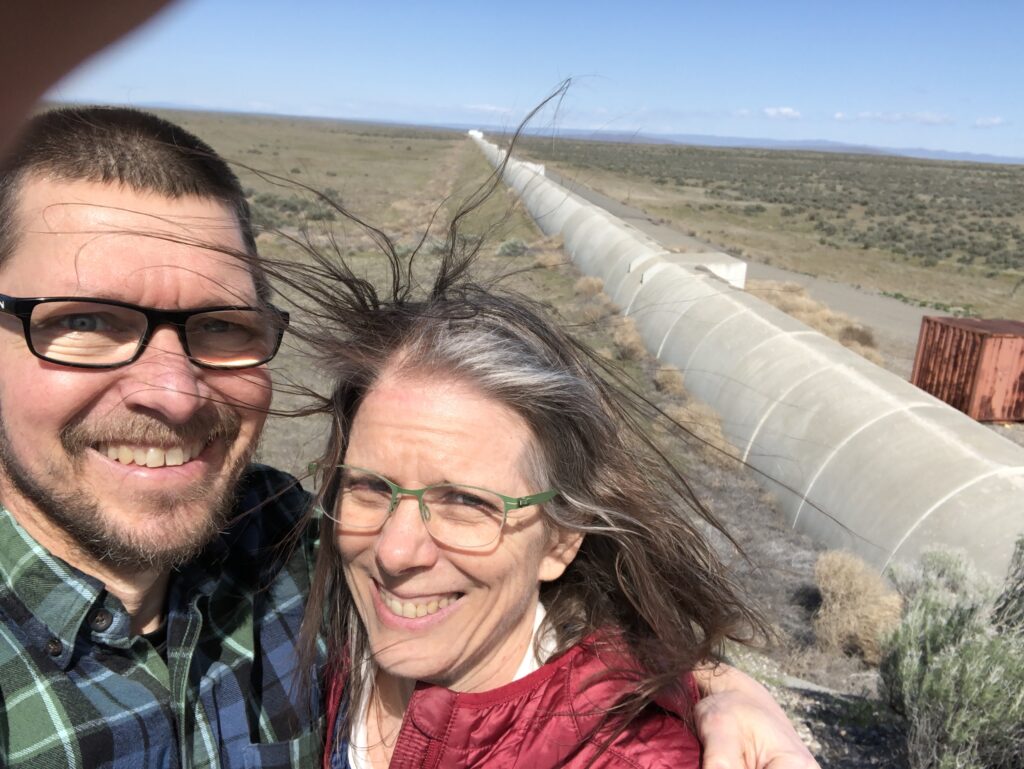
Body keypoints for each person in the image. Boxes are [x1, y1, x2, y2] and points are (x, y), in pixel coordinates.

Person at [0, 105, 818, 769]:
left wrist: (708, 691)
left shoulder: (271, 537)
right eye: (83, 323)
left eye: (219, 326)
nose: (173, 394)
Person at [273, 212, 795, 767]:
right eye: (371, 488)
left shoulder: (628, 757)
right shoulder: (312, 606)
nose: (395, 551)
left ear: (560, 541)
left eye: (465, 503)